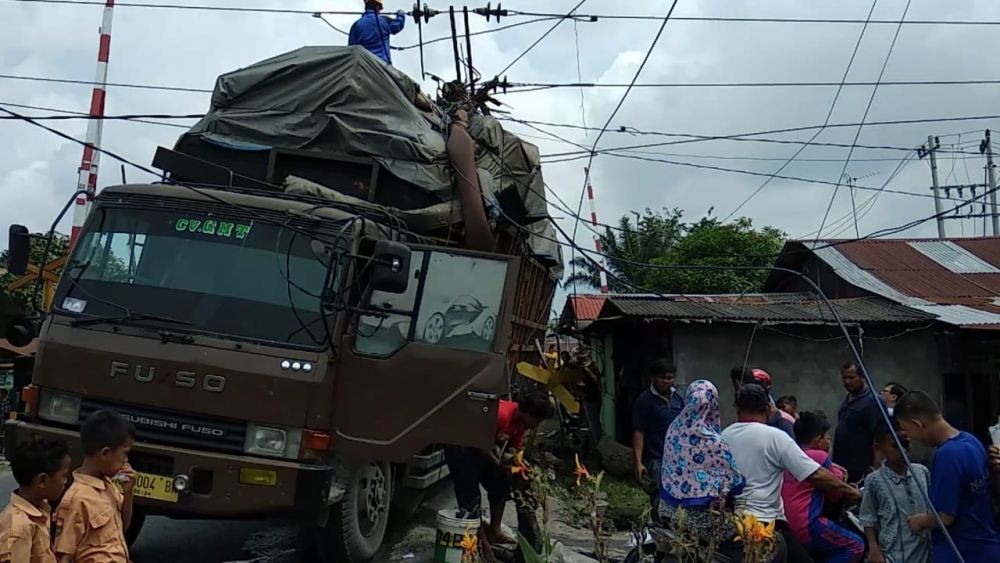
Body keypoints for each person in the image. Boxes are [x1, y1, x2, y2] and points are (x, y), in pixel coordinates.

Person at [722, 383, 861, 563]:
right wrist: (852, 492)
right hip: (767, 524)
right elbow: (815, 474)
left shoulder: (724, 435)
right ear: (767, 409)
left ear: (737, 408)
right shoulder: (775, 437)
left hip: (732, 524)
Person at [895, 391, 1000, 563]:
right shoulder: (971, 440)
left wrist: (919, 521)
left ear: (918, 424)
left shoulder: (947, 456)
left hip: (962, 551)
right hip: (987, 545)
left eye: (906, 430)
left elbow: (944, 517)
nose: (910, 438)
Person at [443, 391, 554, 547]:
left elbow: (515, 448)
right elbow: (478, 442)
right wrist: (499, 464)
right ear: (528, 412)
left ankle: (494, 532)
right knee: (471, 497)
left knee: (500, 484)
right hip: (461, 444)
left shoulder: (520, 423)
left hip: (480, 448)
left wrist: (521, 468)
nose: (537, 424)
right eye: (537, 419)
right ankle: (481, 544)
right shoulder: (501, 414)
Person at [659, 380, 746, 546]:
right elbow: (733, 480)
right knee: (742, 536)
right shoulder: (713, 441)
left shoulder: (673, 429)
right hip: (701, 520)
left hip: (667, 510)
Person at [54, 410, 137, 563]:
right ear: (105, 453)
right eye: (124, 454)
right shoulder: (77, 499)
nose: (126, 461)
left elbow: (123, 527)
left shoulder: (109, 487)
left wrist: (128, 492)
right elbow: (64, 554)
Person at [781, 411, 864, 563]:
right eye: (828, 437)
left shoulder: (788, 455)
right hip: (807, 524)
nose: (829, 440)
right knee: (855, 545)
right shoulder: (820, 456)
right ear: (819, 440)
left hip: (786, 526)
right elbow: (835, 495)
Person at [859, 420, 931, 563]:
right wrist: (874, 549)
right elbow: (868, 518)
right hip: (893, 553)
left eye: (906, 444)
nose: (903, 450)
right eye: (895, 446)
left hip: (924, 551)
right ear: (880, 447)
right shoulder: (874, 480)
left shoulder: (922, 472)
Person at [0, 438, 71, 563]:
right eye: (64, 476)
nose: (65, 482)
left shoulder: (40, 509)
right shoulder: (19, 528)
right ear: (42, 480)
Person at [632, 360, 684, 490]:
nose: (666, 381)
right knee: (658, 498)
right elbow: (639, 432)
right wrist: (638, 463)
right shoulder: (644, 401)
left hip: (677, 457)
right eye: (662, 378)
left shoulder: (678, 398)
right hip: (655, 458)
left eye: (670, 378)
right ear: (653, 378)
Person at [832, 362, 885, 483]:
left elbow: (880, 436)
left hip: (862, 469)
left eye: (851, 378)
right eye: (844, 378)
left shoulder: (873, 401)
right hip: (844, 467)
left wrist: (876, 468)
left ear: (862, 377)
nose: (847, 382)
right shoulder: (847, 399)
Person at [348, 0, 406, 65]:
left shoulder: (356, 25)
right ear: (377, 7)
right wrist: (400, 15)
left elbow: (352, 49)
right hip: (382, 65)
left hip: (364, 66)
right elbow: (397, 26)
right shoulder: (384, 21)